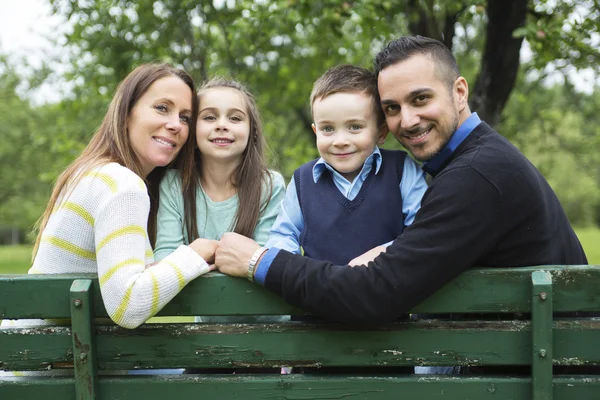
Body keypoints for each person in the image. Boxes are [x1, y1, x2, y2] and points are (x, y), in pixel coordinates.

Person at [214, 35, 587, 323]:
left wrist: (257, 260)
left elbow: (373, 294)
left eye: (421, 99)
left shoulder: (474, 176)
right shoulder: (477, 160)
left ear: (459, 92)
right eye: (392, 108)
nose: (406, 121)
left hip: (545, 372)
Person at [3, 63, 217, 331]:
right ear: (127, 114)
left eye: (185, 117)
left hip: (38, 356)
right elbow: (127, 306)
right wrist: (195, 255)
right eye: (162, 108)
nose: (175, 125)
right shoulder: (123, 185)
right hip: (52, 367)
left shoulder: (93, 173)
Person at [154, 77, 285, 328]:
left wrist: (200, 254)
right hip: (207, 335)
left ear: (252, 130)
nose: (222, 125)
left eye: (235, 118)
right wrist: (232, 257)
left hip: (269, 332)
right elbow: (166, 260)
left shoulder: (270, 186)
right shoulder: (174, 185)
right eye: (210, 117)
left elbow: (267, 262)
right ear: (192, 129)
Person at [266, 65, 427, 265]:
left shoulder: (401, 170)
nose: (340, 140)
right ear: (316, 132)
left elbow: (422, 232)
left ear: (381, 132)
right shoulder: (302, 181)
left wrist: (383, 253)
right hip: (320, 290)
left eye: (354, 127)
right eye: (328, 129)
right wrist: (289, 265)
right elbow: (283, 235)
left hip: (390, 287)